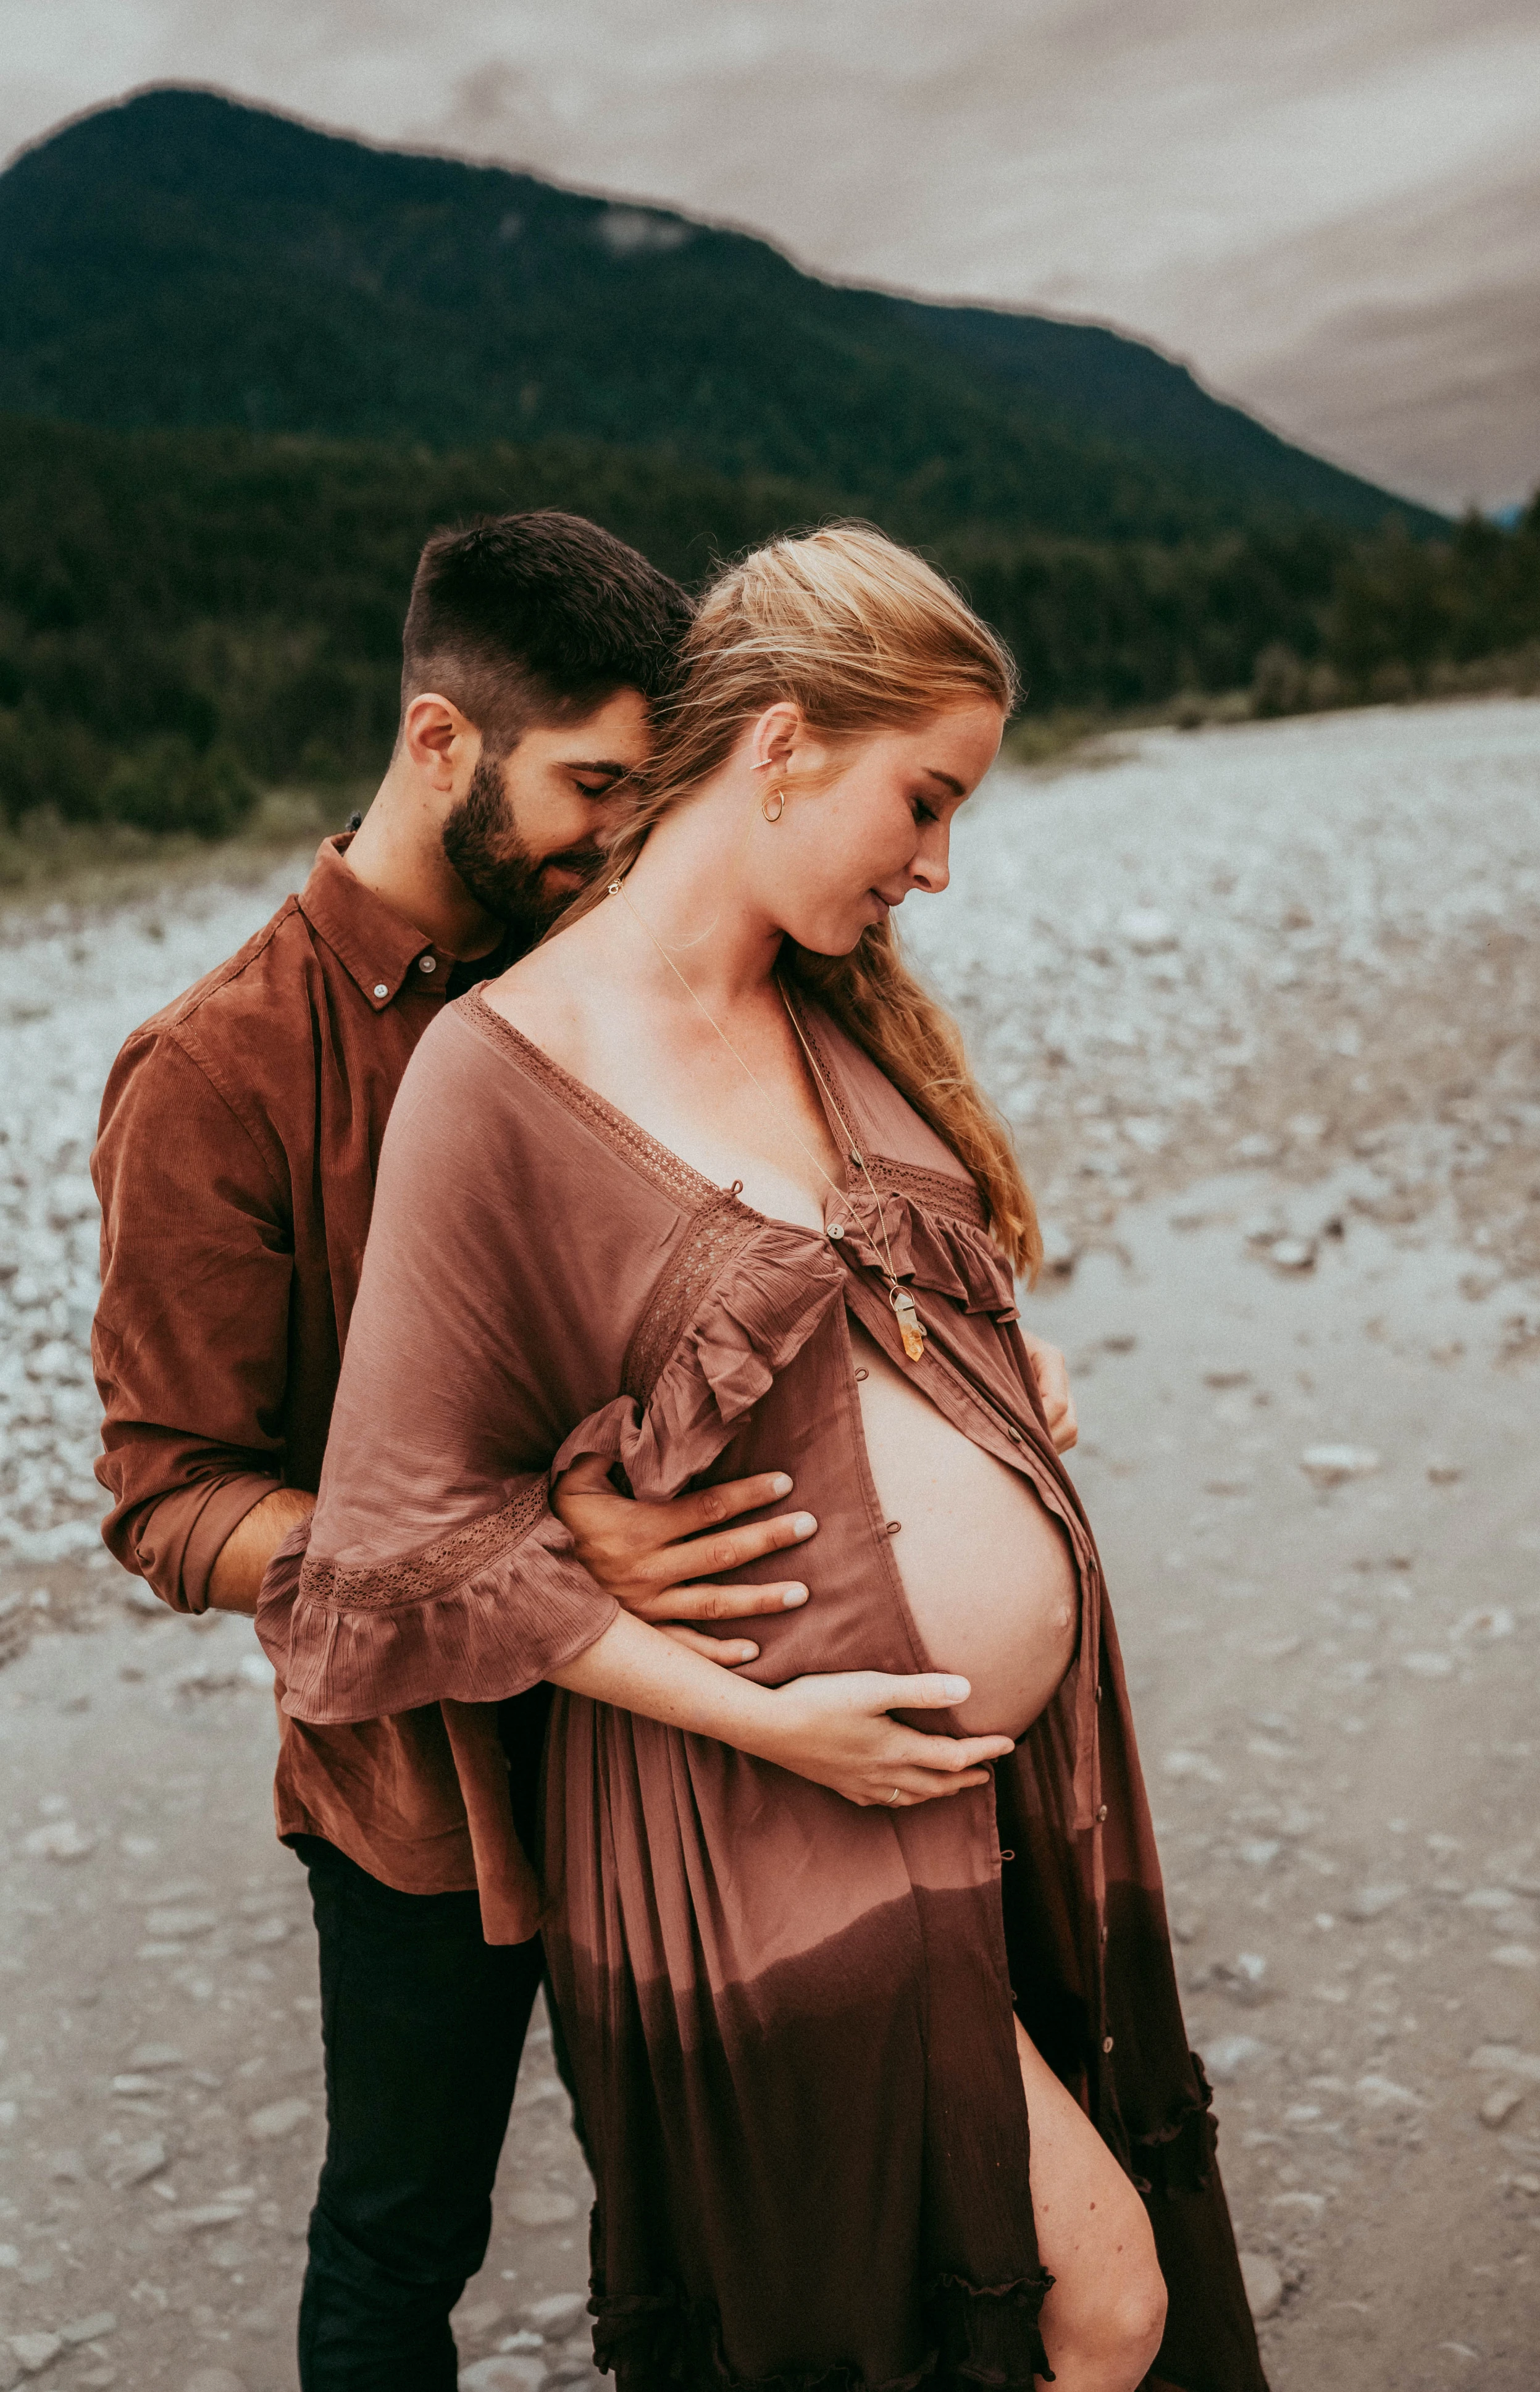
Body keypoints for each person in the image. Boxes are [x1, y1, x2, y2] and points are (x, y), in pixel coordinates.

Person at [262, 525, 1265, 2392]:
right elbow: (393, 1549)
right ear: (785, 744)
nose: (939, 867)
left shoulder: (821, 1011)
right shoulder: (498, 1070)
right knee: (1071, 2301)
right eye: (926, 801)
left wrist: (981, 1373)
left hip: (946, 1795)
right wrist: (776, 1724)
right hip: (757, 1815)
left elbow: (837, 1291)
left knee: (1012, 2309)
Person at [92, 512, 1056, 2390]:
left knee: (715, 2225)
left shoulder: (639, 976)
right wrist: (537, 1555)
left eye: (645, 789)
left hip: (696, 1747)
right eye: (591, 785)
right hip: (426, 1799)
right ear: (441, 745)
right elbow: (163, 1495)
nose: (617, 835)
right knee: (401, 2231)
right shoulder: (212, 1070)